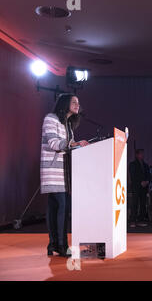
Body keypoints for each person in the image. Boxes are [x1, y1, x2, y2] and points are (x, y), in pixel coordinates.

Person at [41, 93, 88, 257]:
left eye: (78, 102)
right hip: (53, 171)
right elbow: (53, 143)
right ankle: (61, 245)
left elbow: (69, 147)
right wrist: (74, 144)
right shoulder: (51, 118)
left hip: (65, 172)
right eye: (74, 102)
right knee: (62, 206)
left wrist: (81, 147)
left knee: (56, 207)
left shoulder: (68, 124)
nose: (77, 104)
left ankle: (53, 244)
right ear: (64, 103)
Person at [129, 149, 151, 227]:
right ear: (137, 155)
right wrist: (140, 182)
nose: (142, 155)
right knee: (134, 203)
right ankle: (132, 221)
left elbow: (149, 175)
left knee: (143, 203)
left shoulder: (145, 165)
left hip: (144, 187)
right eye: (141, 154)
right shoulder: (132, 164)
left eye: (143, 154)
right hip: (136, 186)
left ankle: (141, 220)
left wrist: (147, 181)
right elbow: (133, 176)